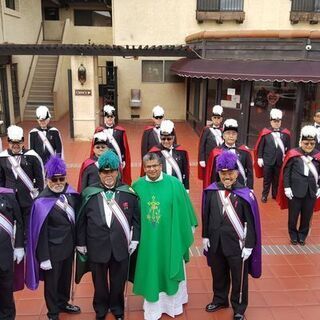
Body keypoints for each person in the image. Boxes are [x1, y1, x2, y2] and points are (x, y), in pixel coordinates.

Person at [132, 152, 197, 320]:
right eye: (148, 167)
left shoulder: (175, 184)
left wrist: (186, 230)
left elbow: (185, 212)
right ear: (144, 168)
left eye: (155, 166)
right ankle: (153, 308)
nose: (152, 169)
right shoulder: (137, 186)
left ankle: (173, 305)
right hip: (148, 241)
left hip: (170, 238)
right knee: (151, 268)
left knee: (171, 265)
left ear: (161, 166)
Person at [77, 150, 140, 320]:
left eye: (112, 171)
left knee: (118, 281)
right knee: (99, 283)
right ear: (99, 173)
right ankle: (100, 309)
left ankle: (117, 308)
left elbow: (136, 220)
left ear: (118, 171)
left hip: (120, 246)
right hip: (96, 246)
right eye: (105, 172)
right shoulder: (89, 194)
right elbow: (81, 221)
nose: (109, 175)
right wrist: (80, 243)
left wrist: (135, 239)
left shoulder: (129, 193)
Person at [202, 151, 261, 320]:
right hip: (216, 242)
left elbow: (251, 222)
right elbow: (207, 215)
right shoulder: (212, 191)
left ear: (236, 173)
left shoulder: (245, 194)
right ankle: (220, 299)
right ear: (218, 173)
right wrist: (205, 236)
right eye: (223, 173)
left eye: (230, 173)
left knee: (238, 278)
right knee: (218, 274)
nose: (227, 176)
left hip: (237, 244)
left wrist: (249, 245)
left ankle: (239, 307)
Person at [26, 156, 81, 320]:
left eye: (61, 178)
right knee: (52, 284)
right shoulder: (41, 202)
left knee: (65, 279)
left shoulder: (71, 194)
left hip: (69, 247)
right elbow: (40, 232)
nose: (58, 182)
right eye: (54, 179)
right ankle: (53, 312)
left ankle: (63, 302)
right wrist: (43, 257)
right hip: (51, 251)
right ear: (47, 179)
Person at [277, 125, 320, 245]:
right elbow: (286, 173)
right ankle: (293, 234)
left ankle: (302, 235)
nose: (309, 146)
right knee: (293, 216)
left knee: (306, 217)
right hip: (295, 191)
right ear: (301, 142)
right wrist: (287, 187)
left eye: (312, 143)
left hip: (311, 191)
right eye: (306, 143)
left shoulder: (318, 156)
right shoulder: (293, 154)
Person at [0, 125, 45, 233]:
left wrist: (39, 196)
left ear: (23, 141)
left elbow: (40, 179)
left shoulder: (32, 156)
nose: (15, 146)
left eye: (18, 143)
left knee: (29, 227)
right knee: (13, 228)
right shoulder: (2, 157)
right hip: (9, 199)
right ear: (8, 142)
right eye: (12, 143)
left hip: (28, 199)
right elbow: (1, 179)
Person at [204, 119, 253, 190]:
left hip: (241, 188)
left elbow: (249, 173)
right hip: (222, 188)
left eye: (234, 133)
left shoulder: (244, 151)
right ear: (223, 135)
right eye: (228, 133)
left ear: (237, 136)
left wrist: (250, 189)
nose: (231, 136)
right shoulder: (216, 152)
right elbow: (213, 174)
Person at [254, 108, 291, 203]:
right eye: (274, 121)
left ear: (281, 122)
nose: (276, 123)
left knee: (276, 180)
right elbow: (260, 146)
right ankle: (264, 195)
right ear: (271, 121)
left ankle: (275, 195)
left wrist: (286, 157)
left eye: (278, 121)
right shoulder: (265, 133)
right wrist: (260, 157)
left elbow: (288, 148)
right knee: (267, 180)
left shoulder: (285, 134)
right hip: (268, 160)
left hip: (279, 161)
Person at [0, 187, 24, 320]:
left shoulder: (8, 195)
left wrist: (19, 246)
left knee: (6, 292)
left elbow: (19, 222)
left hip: (5, 254)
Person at [95, 104, 131, 185]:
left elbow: (123, 147)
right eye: (108, 117)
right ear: (104, 118)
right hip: (104, 160)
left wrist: (124, 159)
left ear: (114, 118)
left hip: (116, 160)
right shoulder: (99, 131)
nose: (110, 118)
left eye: (111, 117)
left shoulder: (120, 131)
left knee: (118, 178)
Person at [148, 120, 190, 191]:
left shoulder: (181, 151)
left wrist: (186, 188)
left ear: (173, 138)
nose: (166, 141)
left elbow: (185, 170)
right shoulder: (154, 152)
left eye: (169, 138)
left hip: (176, 187)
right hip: (159, 187)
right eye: (163, 139)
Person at [198, 104, 223, 180]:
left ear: (221, 119)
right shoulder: (207, 129)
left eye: (218, 118)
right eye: (214, 118)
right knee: (209, 178)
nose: (216, 120)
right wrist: (202, 159)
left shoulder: (224, 130)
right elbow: (202, 145)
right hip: (209, 159)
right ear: (212, 118)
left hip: (221, 158)